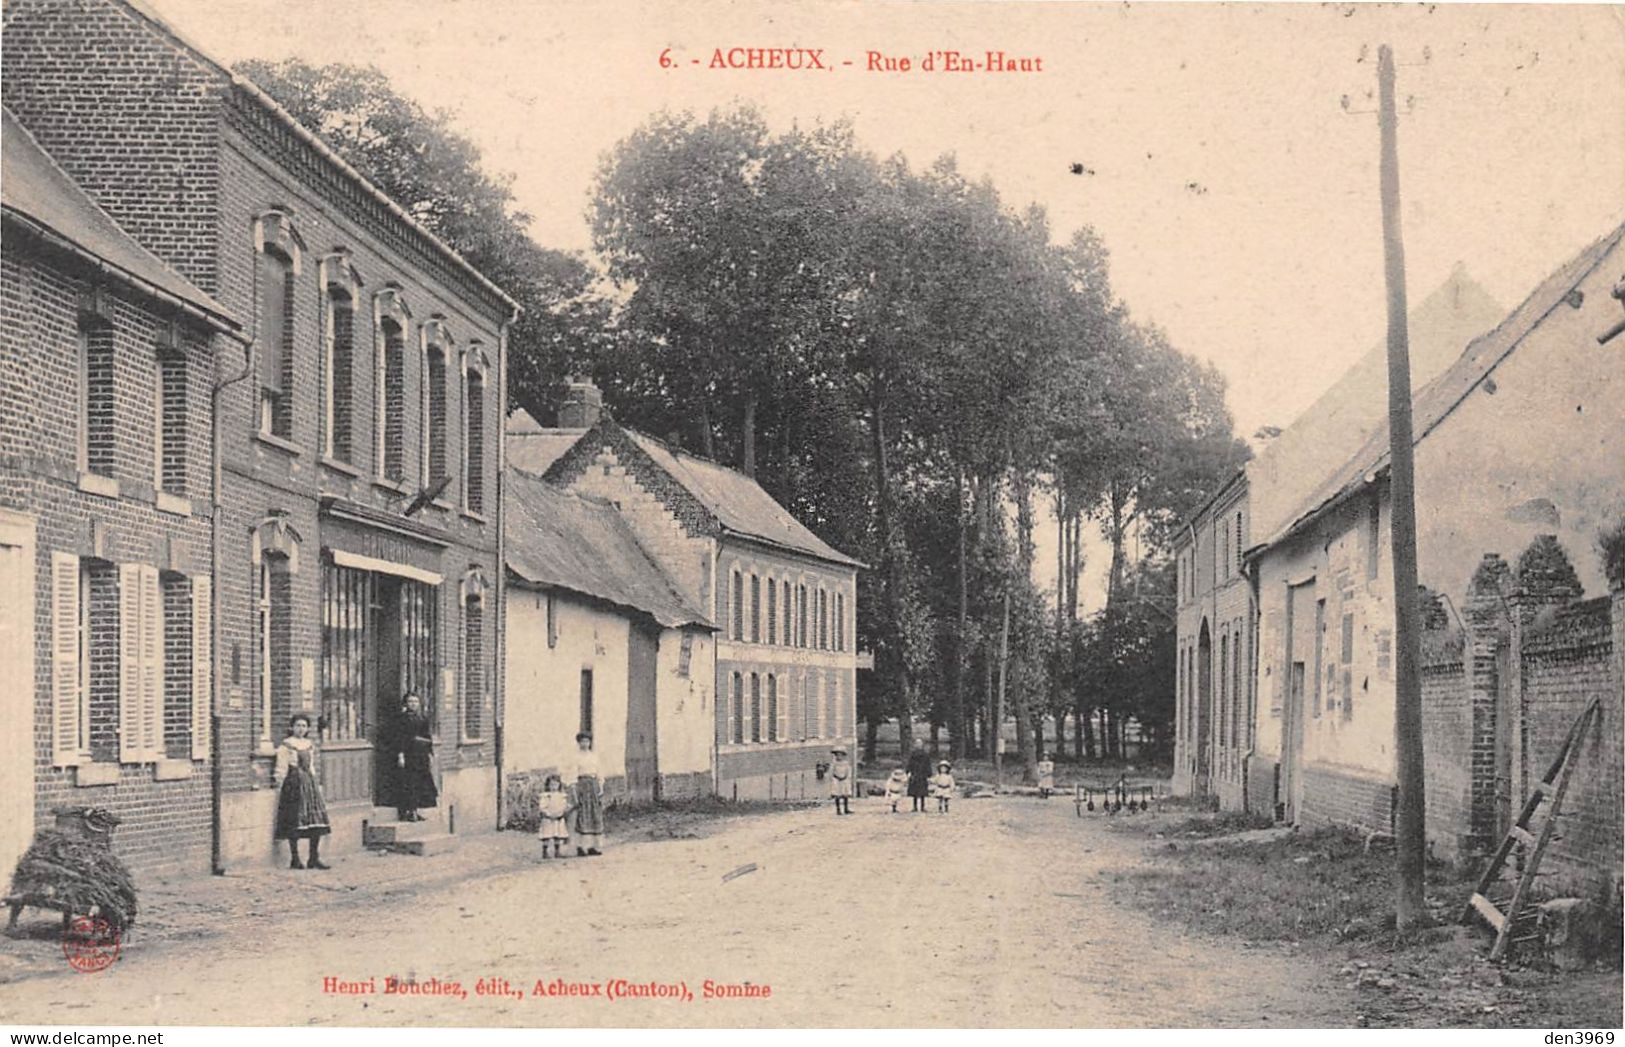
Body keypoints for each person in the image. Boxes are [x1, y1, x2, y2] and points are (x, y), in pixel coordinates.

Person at [273, 712, 331, 870]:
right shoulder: (286, 745)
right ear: (292, 727)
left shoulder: (309, 744)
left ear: (307, 729)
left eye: (304, 726)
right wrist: (280, 784)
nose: (300, 729)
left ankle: (314, 857)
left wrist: (316, 784)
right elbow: (282, 767)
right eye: (298, 725)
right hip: (293, 784)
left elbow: (311, 767)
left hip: (309, 784)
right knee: (294, 820)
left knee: (315, 820)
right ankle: (295, 858)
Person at [388, 692, 438, 822]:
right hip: (408, 755)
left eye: (415, 702)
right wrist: (401, 755)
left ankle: (415, 810)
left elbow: (427, 736)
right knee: (408, 783)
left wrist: (430, 753)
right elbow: (399, 738)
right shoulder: (401, 719)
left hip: (420, 756)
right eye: (410, 702)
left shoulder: (422, 718)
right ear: (405, 704)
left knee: (420, 784)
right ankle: (407, 810)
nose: (413, 704)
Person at [570, 732, 605, 856]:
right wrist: (575, 791)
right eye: (582, 741)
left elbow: (599, 772)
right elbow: (573, 775)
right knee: (583, 815)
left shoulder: (594, 756)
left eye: (587, 741)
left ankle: (593, 846)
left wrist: (600, 787)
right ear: (579, 743)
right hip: (582, 785)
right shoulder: (576, 758)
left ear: (590, 743)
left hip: (593, 785)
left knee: (595, 814)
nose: (585, 744)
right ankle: (581, 846)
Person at [536, 773, 572, 859]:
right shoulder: (546, 796)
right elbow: (542, 807)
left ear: (559, 785)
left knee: (558, 834)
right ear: (548, 785)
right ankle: (545, 851)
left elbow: (564, 805)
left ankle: (557, 851)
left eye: (556, 784)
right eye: (551, 784)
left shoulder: (561, 795)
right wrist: (547, 813)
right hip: (548, 818)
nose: (553, 787)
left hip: (558, 817)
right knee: (547, 835)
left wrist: (563, 812)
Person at [905, 739, 932, 813]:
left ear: (922, 745)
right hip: (914, 775)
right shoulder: (912, 755)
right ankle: (915, 806)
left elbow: (928, 764)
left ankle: (923, 807)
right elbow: (909, 764)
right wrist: (908, 771)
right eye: (917, 743)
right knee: (914, 792)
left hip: (923, 775)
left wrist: (929, 773)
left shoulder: (925, 755)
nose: (918, 745)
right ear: (915, 745)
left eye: (920, 743)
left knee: (923, 792)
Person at [828, 747, 853, 815]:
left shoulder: (846, 763)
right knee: (837, 794)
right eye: (837, 755)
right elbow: (831, 772)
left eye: (840, 755)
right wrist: (834, 778)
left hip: (844, 780)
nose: (839, 757)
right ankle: (838, 810)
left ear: (843, 756)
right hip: (837, 780)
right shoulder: (834, 763)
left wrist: (847, 777)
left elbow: (849, 771)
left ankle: (846, 808)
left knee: (845, 794)